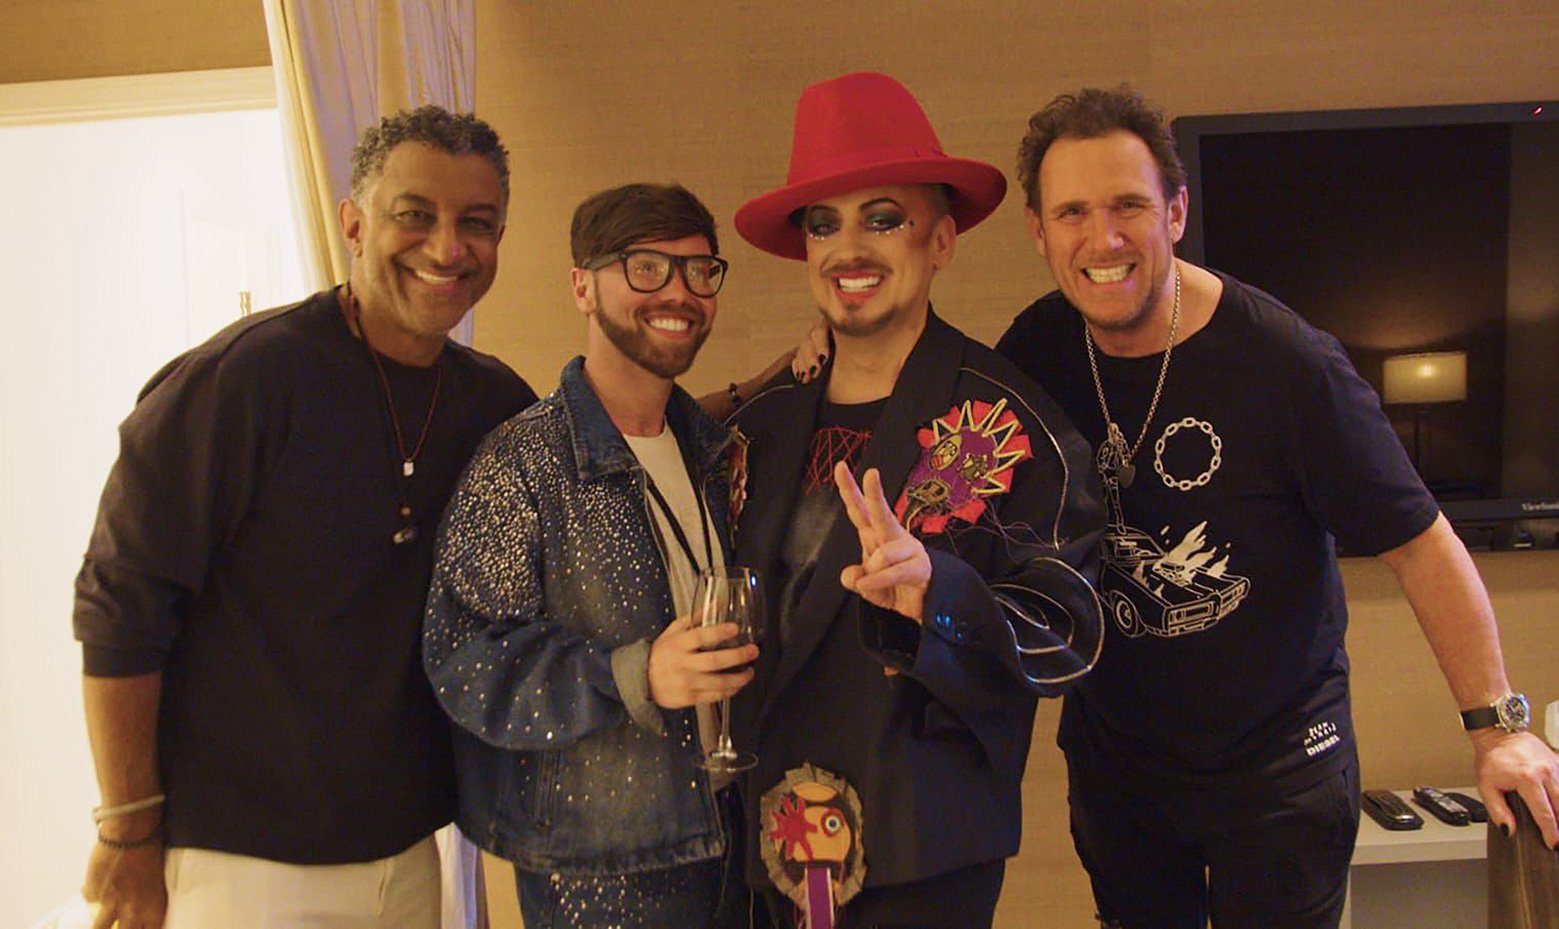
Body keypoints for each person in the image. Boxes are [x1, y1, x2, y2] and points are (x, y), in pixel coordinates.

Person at [995, 86, 1559, 929]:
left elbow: (1421, 544)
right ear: (1039, 231)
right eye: (1071, 211)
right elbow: (949, 431)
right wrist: (817, 348)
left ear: (1175, 212)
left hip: (1279, 770)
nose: (1102, 238)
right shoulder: (1036, 349)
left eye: (1128, 206)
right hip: (1121, 772)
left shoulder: (1287, 365)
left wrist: (1496, 729)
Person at [72, 106, 538, 929]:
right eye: (414, 215)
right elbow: (121, 609)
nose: (447, 247)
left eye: (478, 223)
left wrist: (758, 398)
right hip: (242, 863)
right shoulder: (243, 381)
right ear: (353, 223)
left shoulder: (490, 401)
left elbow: (592, 459)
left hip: (407, 852)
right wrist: (127, 831)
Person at [726, 71, 1106, 928]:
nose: (847, 248)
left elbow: (1065, 627)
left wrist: (940, 591)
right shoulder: (758, 427)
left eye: (883, 218)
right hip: (759, 841)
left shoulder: (1009, 423)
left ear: (940, 239)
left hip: (919, 848)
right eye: (824, 224)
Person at [423, 183, 758, 929]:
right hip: (604, 870)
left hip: (730, 844)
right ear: (582, 284)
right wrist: (637, 673)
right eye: (646, 267)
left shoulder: (712, 455)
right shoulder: (523, 462)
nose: (678, 292)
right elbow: (466, 657)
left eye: (700, 271)